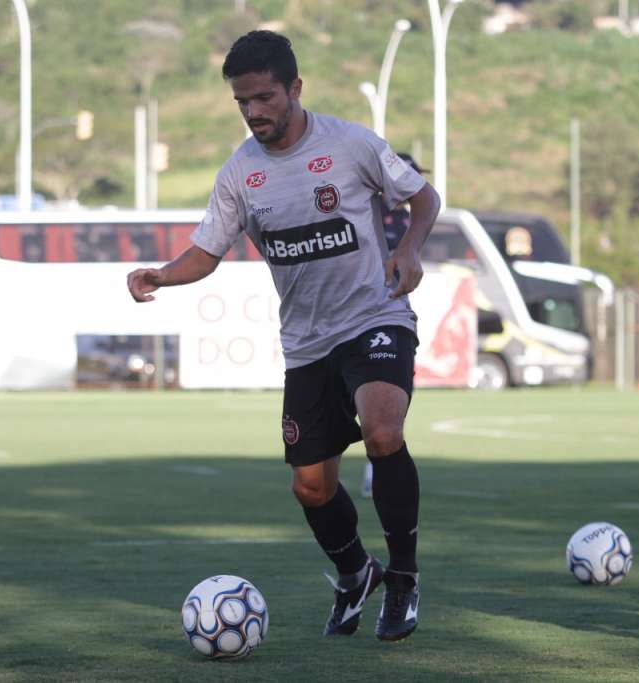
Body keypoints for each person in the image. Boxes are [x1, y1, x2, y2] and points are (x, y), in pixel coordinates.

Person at [127, 31, 441, 641]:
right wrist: (162, 274)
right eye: (242, 102)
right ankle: (356, 573)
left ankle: (403, 580)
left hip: (374, 315)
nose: (253, 112)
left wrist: (409, 247)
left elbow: (423, 197)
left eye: (264, 97)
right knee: (311, 487)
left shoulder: (350, 144)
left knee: (383, 430)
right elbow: (207, 251)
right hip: (306, 343)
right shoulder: (240, 172)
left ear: (295, 88)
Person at [361, 152, 428, 499]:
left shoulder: (408, 220)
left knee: (391, 402)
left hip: (392, 309)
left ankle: (377, 466)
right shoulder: (366, 208)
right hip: (355, 311)